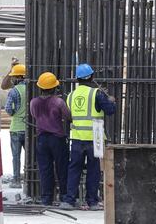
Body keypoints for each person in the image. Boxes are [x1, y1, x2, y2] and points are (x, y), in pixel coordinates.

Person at [64, 63, 116, 210]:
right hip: (96, 138)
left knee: (74, 169)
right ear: (92, 77)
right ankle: (92, 201)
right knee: (93, 170)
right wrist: (111, 101)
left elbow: (68, 116)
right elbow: (110, 111)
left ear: (77, 79)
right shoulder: (97, 93)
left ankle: (69, 200)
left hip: (77, 137)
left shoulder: (71, 95)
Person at [29, 72, 70, 206]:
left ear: (40, 87)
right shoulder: (58, 101)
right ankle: (64, 196)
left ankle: (47, 198)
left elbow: (34, 116)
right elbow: (68, 116)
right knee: (62, 168)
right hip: (57, 138)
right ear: (54, 88)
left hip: (42, 139)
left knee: (45, 169)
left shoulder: (34, 102)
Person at [4, 63, 27, 188]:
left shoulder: (14, 91)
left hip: (16, 129)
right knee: (30, 158)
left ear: (19, 77)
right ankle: (30, 180)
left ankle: (16, 181)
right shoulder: (31, 89)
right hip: (28, 128)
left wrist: (14, 112)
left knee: (16, 157)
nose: (12, 79)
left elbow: (8, 109)